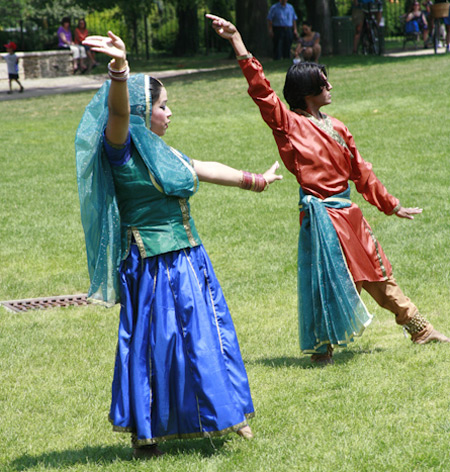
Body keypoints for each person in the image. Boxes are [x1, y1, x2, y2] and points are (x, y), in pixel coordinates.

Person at [75, 31, 282, 458]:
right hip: (151, 263)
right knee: (159, 345)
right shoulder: (122, 150)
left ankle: (226, 414)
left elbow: (204, 168)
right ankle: (147, 431)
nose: (169, 112)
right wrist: (119, 71)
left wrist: (256, 181)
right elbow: (116, 113)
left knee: (208, 336)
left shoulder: (164, 152)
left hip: (189, 256)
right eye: (162, 105)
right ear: (140, 112)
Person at [206, 14, 450, 365]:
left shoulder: (338, 127)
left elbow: (361, 172)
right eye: (324, 84)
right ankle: (323, 349)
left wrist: (391, 205)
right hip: (321, 217)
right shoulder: (288, 124)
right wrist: (237, 42)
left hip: (348, 214)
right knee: (329, 280)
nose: (330, 88)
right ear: (308, 91)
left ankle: (420, 329)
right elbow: (261, 91)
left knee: (377, 272)